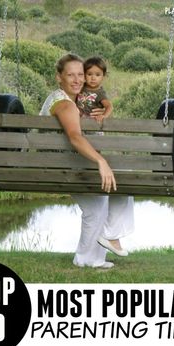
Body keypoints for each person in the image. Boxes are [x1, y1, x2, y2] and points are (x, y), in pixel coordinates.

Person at [40, 53, 134, 269]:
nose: (77, 80)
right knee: (124, 180)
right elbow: (74, 137)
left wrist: (102, 112)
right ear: (59, 77)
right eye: (70, 75)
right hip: (63, 167)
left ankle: (88, 258)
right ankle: (110, 234)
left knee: (98, 205)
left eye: (80, 74)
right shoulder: (65, 104)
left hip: (59, 165)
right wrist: (101, 161)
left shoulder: (71, 102)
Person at [77, 56, 113, 122]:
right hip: (80, 123)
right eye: (89, 74)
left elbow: (109, 106)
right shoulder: (81, 87)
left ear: (103, 77)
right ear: (84, 74)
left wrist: (103, 115)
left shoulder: (100, 93)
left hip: (94, 124)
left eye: (97, 75)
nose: (93, 78)